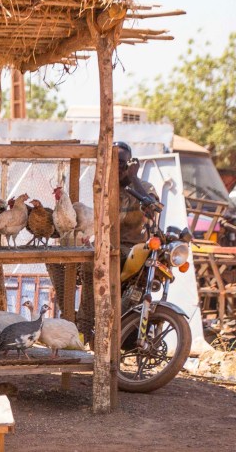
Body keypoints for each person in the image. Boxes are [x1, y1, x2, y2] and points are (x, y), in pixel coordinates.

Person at [47, 142, 160, 339]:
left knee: (93, 266)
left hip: (130, 251)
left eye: (122, 164)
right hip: (103, 247)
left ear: (131, 164)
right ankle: (69, 317)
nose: (117, 168)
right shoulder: (105, 188)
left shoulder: (144, 187)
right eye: (112, 163)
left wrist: (133, 178)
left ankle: (84, 327)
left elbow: (152, 208)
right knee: (55, 261)